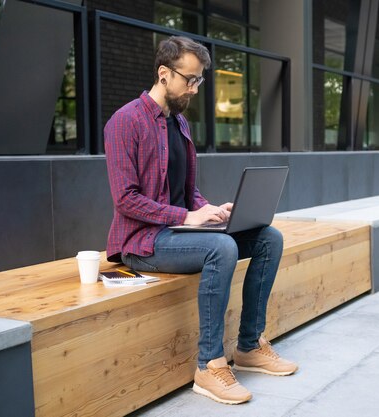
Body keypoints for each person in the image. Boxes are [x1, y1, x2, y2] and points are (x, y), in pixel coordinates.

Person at [104, 35, 297, 405]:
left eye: (198, 81)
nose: (193, 89)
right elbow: (126, 200)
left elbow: (186, 190)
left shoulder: (179, 124)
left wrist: (211, 211)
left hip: (178, 232)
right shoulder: (124, 122)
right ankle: (209, 365)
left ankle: (248, 346)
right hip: (143, 243)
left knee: (269, 238)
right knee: (221, 248)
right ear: (163, 73)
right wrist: (188, 216)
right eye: (189, 80)